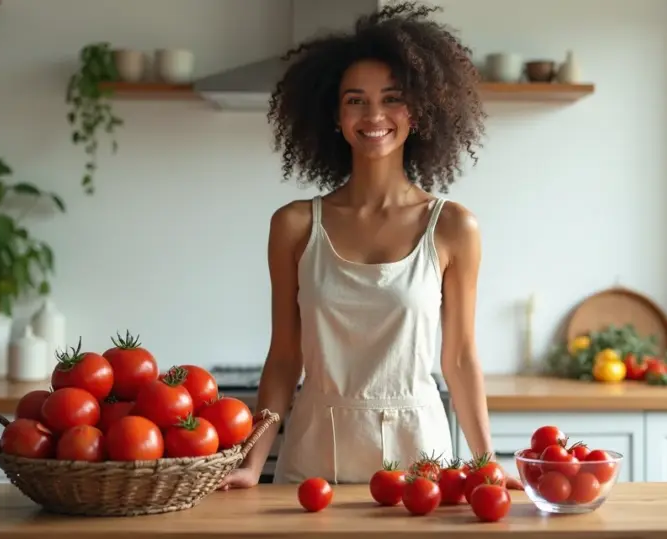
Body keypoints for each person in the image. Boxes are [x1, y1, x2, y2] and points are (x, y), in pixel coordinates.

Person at [219, 1, 520, 490]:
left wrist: (487, 459)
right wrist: (252, 462)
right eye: (355, 99)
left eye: (392, 98)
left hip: (420, 452)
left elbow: (460, 359)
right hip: (315, 451)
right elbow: (283, 358)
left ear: (418, 112)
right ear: (335, 116)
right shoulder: (294, 225)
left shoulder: (453, 227)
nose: (374, 114)